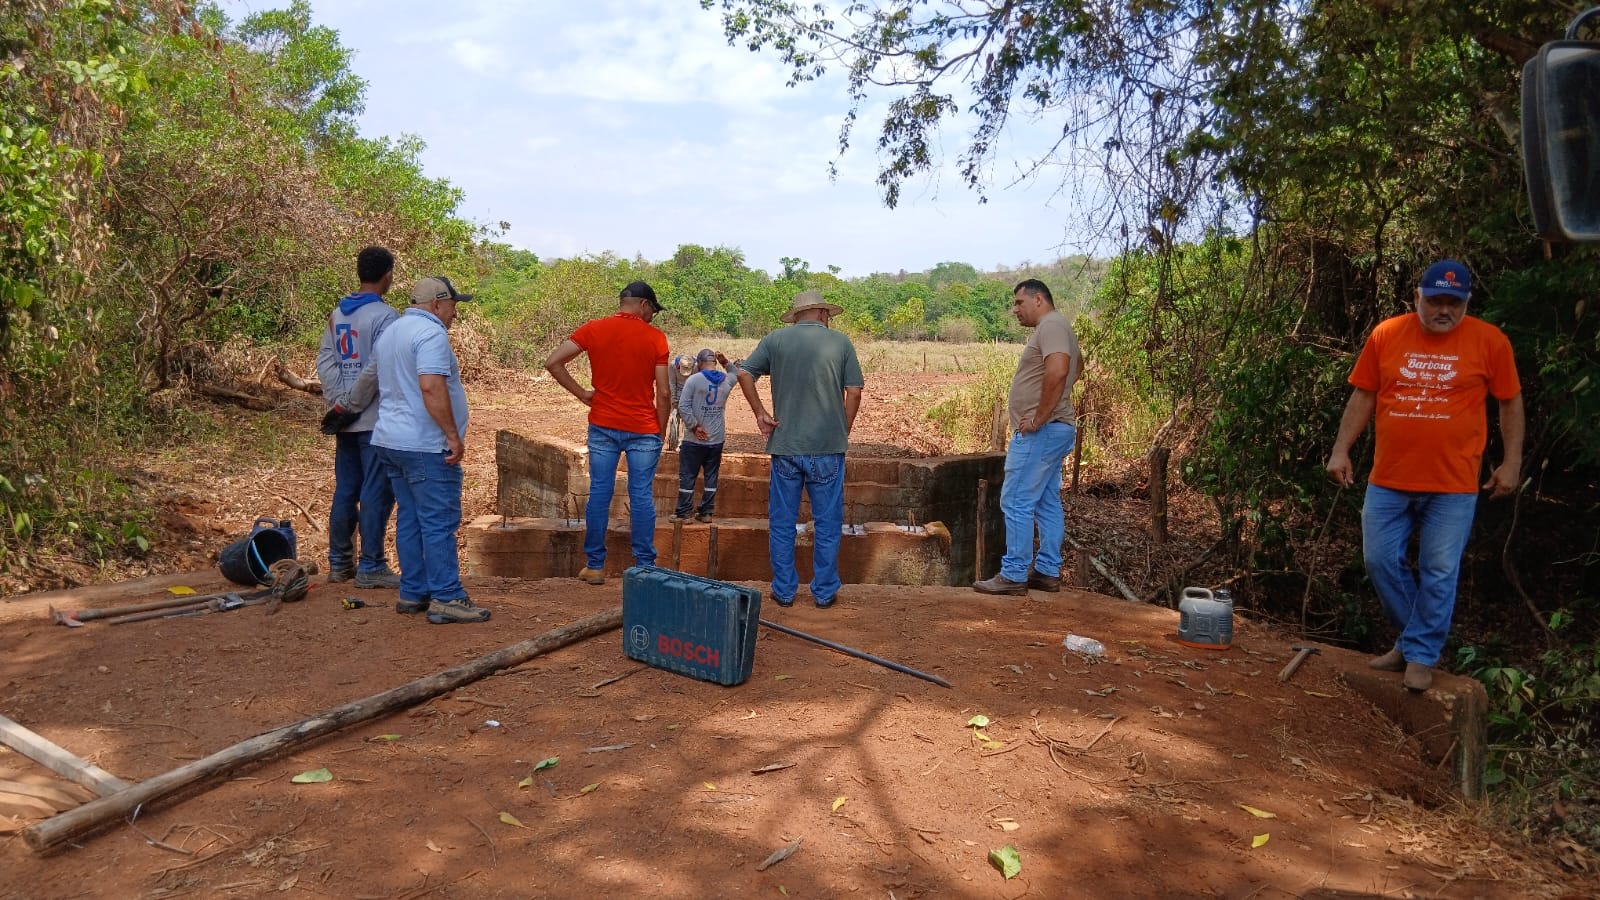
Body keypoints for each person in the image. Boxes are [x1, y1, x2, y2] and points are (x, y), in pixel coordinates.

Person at [1326, 259, 1523, 692]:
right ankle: (1414, 641)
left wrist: (1512, 462)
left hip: (1453, 485)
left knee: (1439, 569)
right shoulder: (1387, 334)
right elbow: (1364, 394)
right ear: (1417, 297)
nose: (1444, 310)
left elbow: (1509, 402)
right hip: (1389, 478)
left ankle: (1418, 654)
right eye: (1435, 300)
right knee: (1379, 561)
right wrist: (1341, 449)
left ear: (1467, 301)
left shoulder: (1490, 341)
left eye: (1454, 302)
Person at [371, 276, 491, 624]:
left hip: (391, 440)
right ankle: (447, 596)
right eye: (453, 305)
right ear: (437, 304)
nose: (455, 313)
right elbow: (431, 386)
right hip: (424, 443)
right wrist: (452, 435)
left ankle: (414, 591)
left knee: (410, 516)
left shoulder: (392, 331)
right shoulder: (431, 334)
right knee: (438, 520)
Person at [736, 289, 864, 608]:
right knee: (827, 523)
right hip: (827, 448)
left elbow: (744, 373)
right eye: (828, 315)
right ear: (822, 313)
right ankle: (824, 592)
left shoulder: (775, 341)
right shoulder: (841, 343)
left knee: (782, 523)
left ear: (796, 316)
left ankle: (784, 590)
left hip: (786, 446)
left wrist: (760, 413)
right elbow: (854, 391)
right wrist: (842, 429)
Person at [544, 281, 671, 586]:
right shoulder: (655, 338)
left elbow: (553, 362)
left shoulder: (593, 329)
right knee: (641, 495)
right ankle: (644, 566)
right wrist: (661, 429)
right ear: (643, 304)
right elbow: (664, 392)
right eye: (653, 310)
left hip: (603, 424)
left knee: (600, 492)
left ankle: (595, 566)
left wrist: (583, 394)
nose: (652, 316)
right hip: (643, 429)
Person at [973, 278, 1082, 598]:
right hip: (1055, 428)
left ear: (1038, 300)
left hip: (1043, 431)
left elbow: (1060, 370)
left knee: (1016, 500)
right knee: (1046, 501)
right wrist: (1054, 403)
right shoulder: (1058, 327)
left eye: (1019, 302)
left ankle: (1014, 573)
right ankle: (1047, 572)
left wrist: (1039, 416)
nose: (1015, 309)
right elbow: (1078, 367)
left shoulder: (1051, 325)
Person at [315, 245, 401, 589]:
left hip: (344, 421)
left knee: (346, 490)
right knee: (375, 492)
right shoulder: (386, 317)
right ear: (387, 276)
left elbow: (326, 361)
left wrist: (339, 404)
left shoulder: (338, 314)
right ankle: (371, 565)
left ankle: (339, 564)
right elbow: (377, 367)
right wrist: (352, 404)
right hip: (372, 421)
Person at [674, 348, 737, 523]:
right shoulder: (727, 380)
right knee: (711, 476)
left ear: (700, 363)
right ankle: (707, 512)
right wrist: (725, 361)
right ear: (715, 363)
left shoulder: (694, 380)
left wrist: (695, 426)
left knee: (688, 475)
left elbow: (683, 406)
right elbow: (735, 372)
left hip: (694, 439)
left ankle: (684, 513)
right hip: (716, 438)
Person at [665, 354, 697, 451]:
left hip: (690, 392)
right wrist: (674, 399)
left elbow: (695, 385)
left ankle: (684, 442)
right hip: (677, 391)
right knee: (674, 418)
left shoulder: (696, 366)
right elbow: (672, 383)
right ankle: (673, 441)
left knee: (687, 419)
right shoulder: (672, 366)